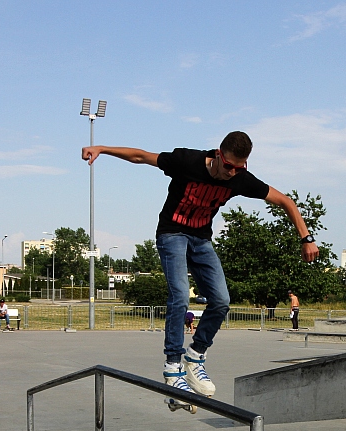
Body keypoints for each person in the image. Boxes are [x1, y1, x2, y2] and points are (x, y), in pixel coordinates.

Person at [82, 131, 319, 398]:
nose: (231, 173)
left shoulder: (240, 179)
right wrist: (102, 148)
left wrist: (306, 238)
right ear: (218, 155)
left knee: (221, 300)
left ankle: (195, 357)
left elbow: (286, 201)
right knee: (181, 296)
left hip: (201, 240)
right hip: (172, 234)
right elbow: (141, 157)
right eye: (228, 166)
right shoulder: (187, 161)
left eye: (239, 168)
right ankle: (173, 366)